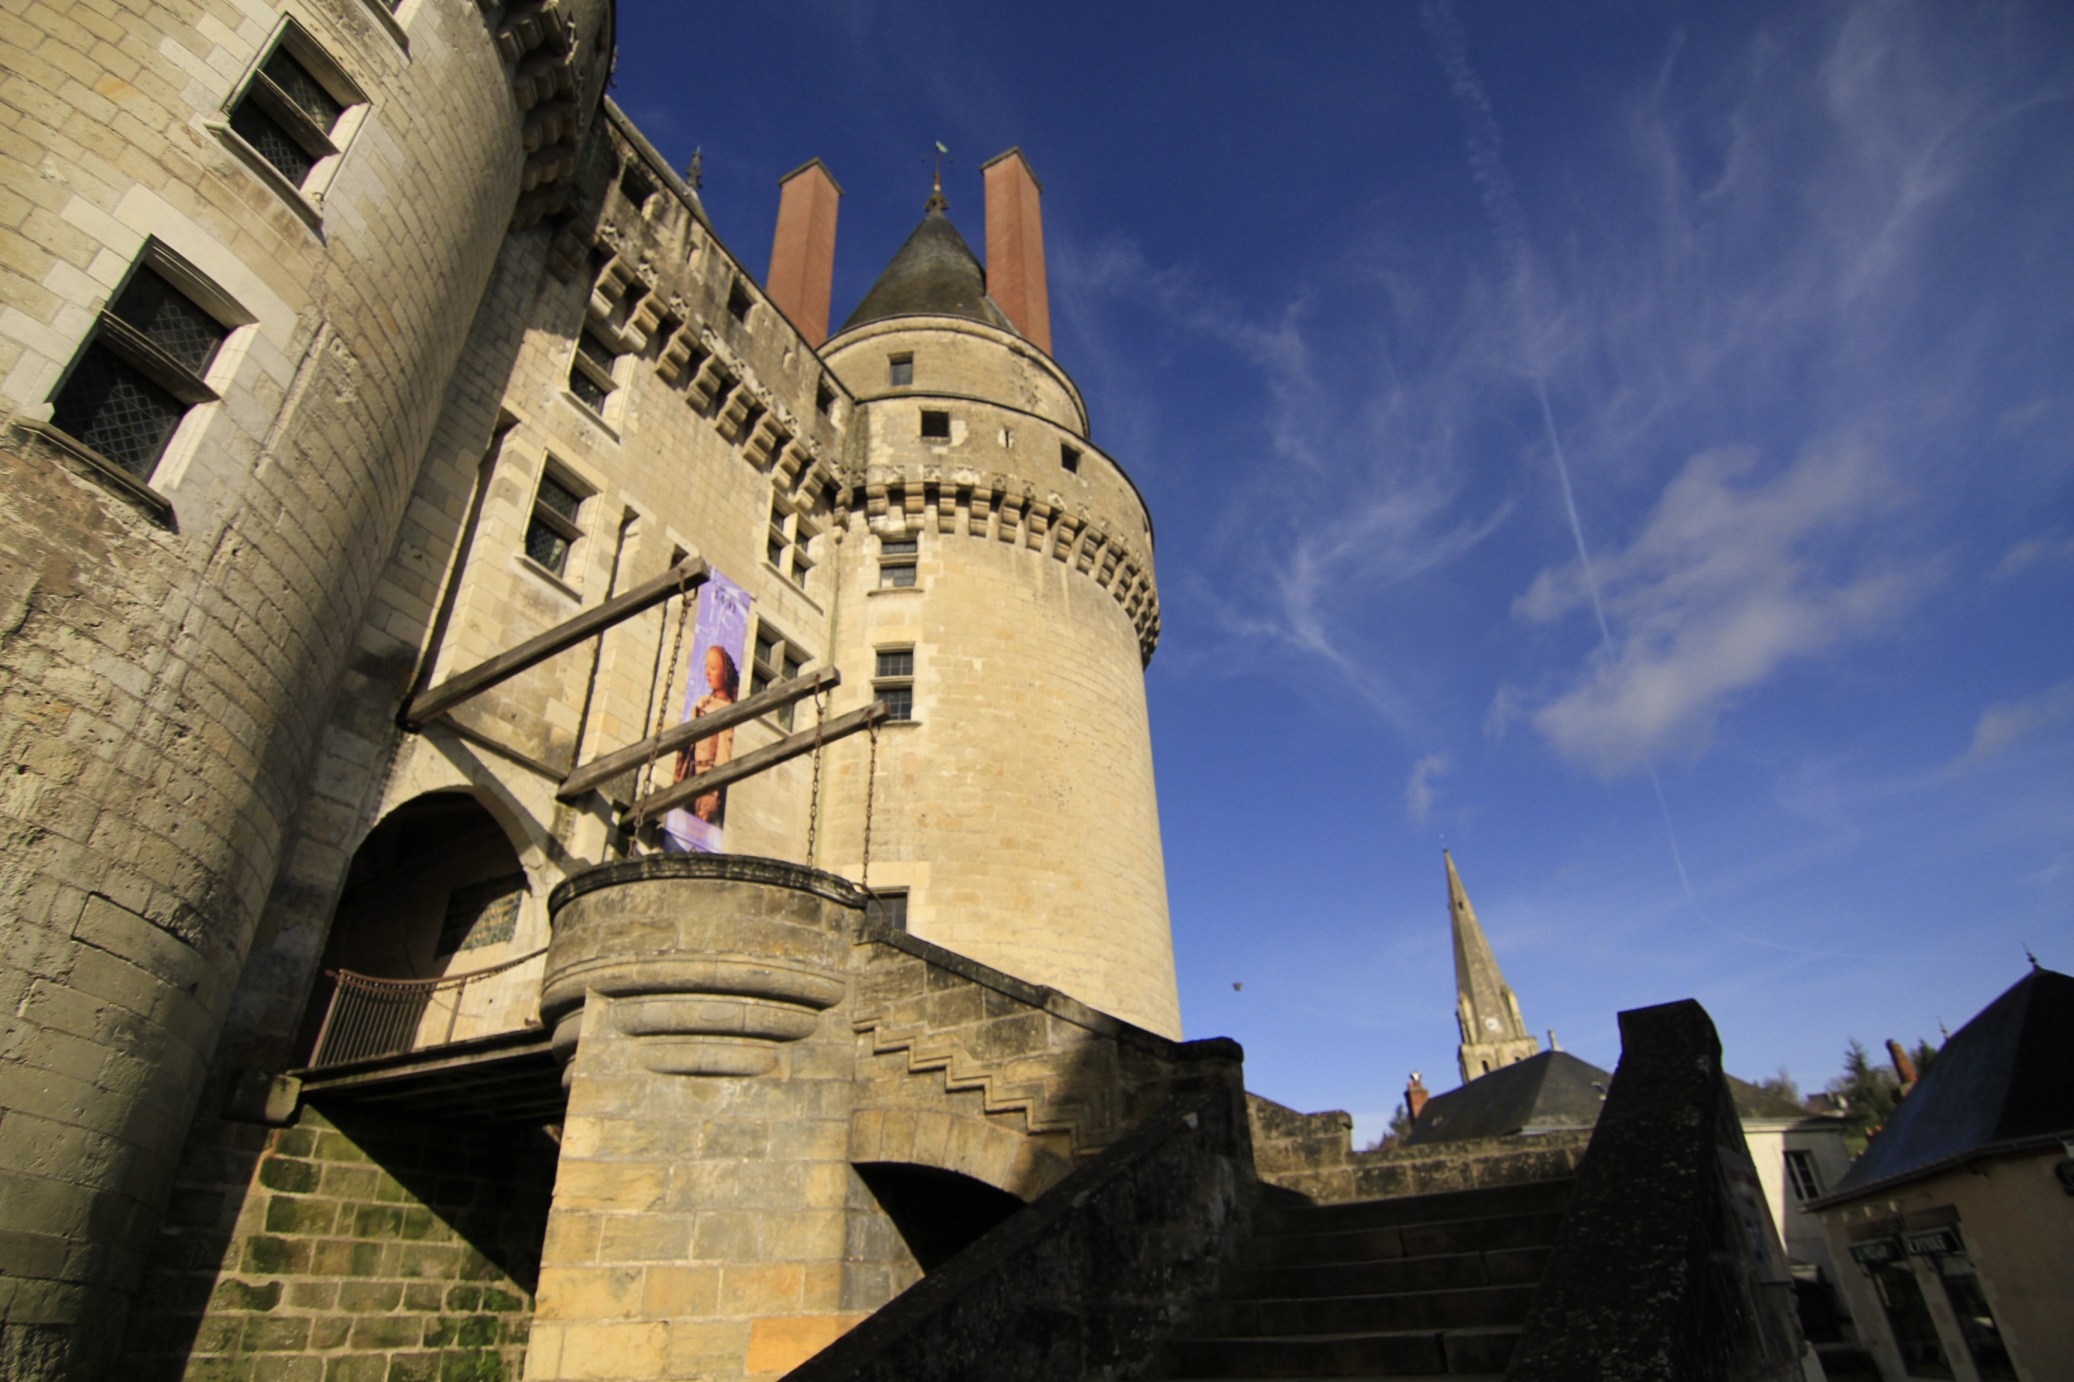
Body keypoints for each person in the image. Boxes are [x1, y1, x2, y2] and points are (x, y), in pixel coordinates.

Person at [673, 644, 739, 824]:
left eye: (713, 668)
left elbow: (724, 754)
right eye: (706, 667)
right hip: (690, 773)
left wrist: (714, 790)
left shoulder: (727, 710)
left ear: (725, 673)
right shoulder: (702, 702)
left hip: (707, 781)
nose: (708, 672)